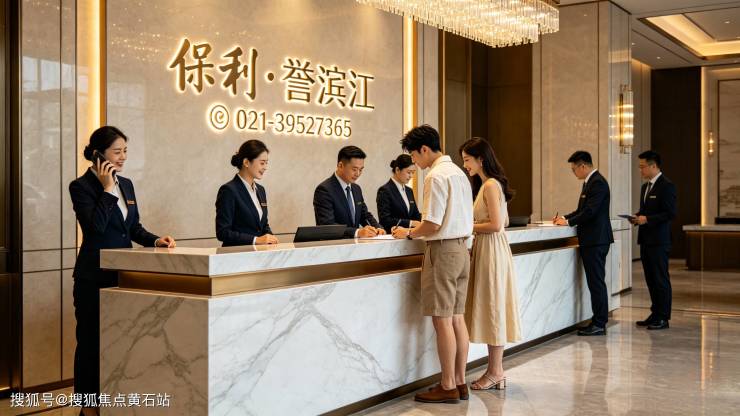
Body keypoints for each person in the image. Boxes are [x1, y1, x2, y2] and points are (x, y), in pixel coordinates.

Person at [69, 126, 175, 416]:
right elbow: (95, 228)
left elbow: (133, 228)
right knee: (90, 343)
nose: (123, 157)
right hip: (93, 277)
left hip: (123, 276)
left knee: (118, 341)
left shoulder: (126, 184)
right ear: (98, 155)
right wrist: (106, 189)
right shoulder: (80, 187)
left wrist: (155, 240)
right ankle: (88, 409)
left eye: (125, 151)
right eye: (117, 152)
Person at [392, 125, 474, 404]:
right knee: (457, 318)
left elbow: (432, 223)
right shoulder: (459, 173)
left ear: (424, 149)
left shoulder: (436, 176)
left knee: (442, 321)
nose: (415, 162)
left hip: (443, 251)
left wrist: (409, 233)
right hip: (462, 250)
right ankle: (460, 382)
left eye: (415, 156)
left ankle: (447, 385)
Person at [460, 138, 521, 390]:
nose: (465, 165)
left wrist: (466, 225)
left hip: (492, 250)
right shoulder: (489, 185)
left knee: (494, 307)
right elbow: (501, 223)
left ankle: (496, 371)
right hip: (489, 248)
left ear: (480, 159)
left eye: (467, 160)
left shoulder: (490, 186)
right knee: (491, 306)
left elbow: (496, 224)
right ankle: (494, 370)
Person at [554, 150, 613, 336]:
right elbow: (581, 210)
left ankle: (600, 323)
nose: (574, 173)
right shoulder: (589, 183)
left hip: (596, 240)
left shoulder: (598, 183)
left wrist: (569, 222)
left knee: (596, 282)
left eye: (574, 169)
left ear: (583, 166)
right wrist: (564, 218)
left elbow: (590, 212)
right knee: (594, 282)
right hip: (591, 240)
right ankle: (597, 321)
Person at [631, 150, 676, 330]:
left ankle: (663, 317)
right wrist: (637, 217)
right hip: (646, 240)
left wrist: (647, 219)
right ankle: (655, 313)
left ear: (654, 166)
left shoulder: (667, 186)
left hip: (659, 241)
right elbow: (646, 211)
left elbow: (670, 213)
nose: (640, 170)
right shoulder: (645, 187)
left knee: (660, 279)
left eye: (642, 167)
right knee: (650, 279)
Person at [216, 139, 278, 246]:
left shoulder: (261, 190)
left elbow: (263, 225)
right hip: (236, 254)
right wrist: (255, 240)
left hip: (258, 254)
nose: (265, 167)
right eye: (262, 163)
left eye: (266, 163)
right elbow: (223, 232)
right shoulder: (229, 190)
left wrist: (270, 237)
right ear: (246, 162)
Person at [313, 146, 385, 238]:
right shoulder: (324, 190)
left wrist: (377, 228)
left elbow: (364, 215)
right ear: (340, 165)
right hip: (335, 244)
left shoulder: (356, 189)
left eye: (361, 169)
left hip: (355, 245)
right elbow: (327, 225)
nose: (358, 174)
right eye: (354, 169)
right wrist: (357, 232)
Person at [376, 154, 421, 233]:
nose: (411, 176)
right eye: (408, 172)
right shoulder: (384, 190)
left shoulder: (409, 191)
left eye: (413, 173)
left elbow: (416, 215)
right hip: (392, 235)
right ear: (397, 170)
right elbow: (385, 220)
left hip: (408, 235)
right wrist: (410, 223)